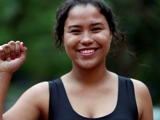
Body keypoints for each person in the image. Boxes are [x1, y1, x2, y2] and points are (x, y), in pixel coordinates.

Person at [0, 0, 153, 120]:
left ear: (111, 33)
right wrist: (3, 72)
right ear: (62, 37)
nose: (86, 39)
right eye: (75, 31)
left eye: (96, 29)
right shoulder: (42, 95)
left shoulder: (136, 92)